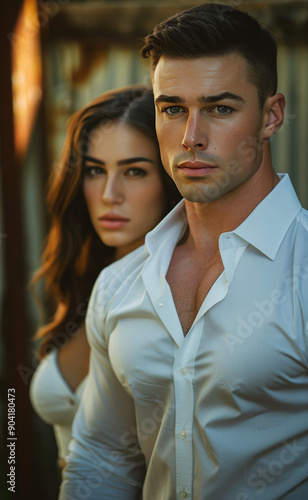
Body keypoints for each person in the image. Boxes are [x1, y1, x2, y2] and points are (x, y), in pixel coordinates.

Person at [59, 4, 308, 500]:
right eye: (173, 109)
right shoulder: (119, 285)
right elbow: (100, 461)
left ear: (271, 116)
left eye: (220, 109)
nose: (191, 138)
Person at [29, 85, 181, 470]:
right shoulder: (88, 281)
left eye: (134, 171)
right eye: (96, 170)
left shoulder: (183, 295)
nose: (110, 194)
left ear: (168, 178)